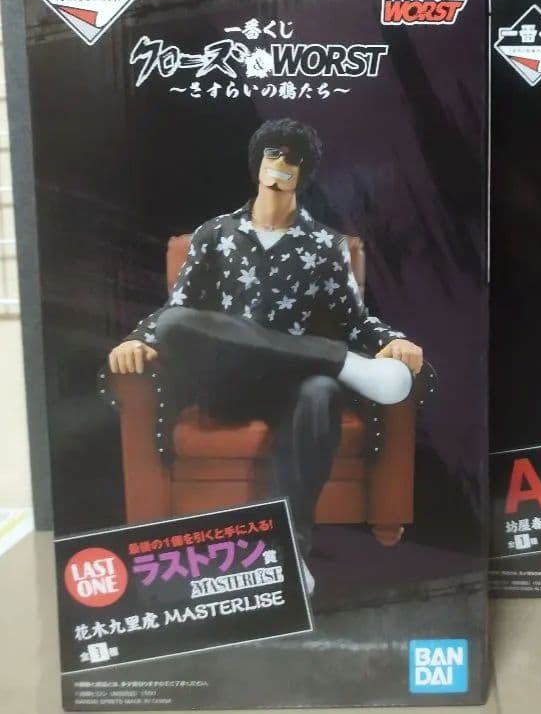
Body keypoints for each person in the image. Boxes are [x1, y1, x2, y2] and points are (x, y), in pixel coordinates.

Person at [105, 118, 424, 591]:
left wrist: (391, 340)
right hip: (227, 382)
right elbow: (177, 309)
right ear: (257, 163)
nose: (281, 166)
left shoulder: (325, 245)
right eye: (274, 155)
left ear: (304, 172)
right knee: (174, 326)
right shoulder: (215, 234)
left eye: (292, 159)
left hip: (292, 385)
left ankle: (288, 552)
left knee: (320, 392)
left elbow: (355, 320)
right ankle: (340, 361)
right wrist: (140, 339)